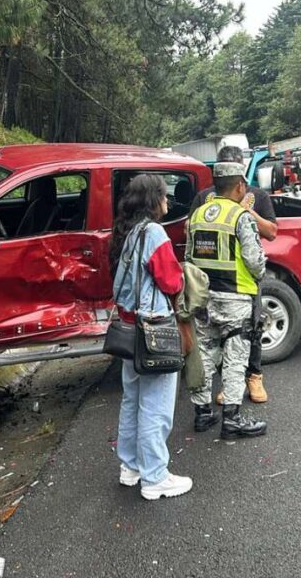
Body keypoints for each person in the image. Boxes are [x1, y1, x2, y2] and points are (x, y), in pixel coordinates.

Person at [109, 174, 192, 500]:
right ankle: (155, 478)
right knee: (156, 406)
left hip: (130, 332)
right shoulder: (154, 232)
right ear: (152, 200)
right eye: (164, 196)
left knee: (132, 401)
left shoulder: (127, 232)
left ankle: (130, 468)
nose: (167, 202)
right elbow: (171, 282)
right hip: (153, 332)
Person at [188, 146, 277, 409]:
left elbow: (272, 231)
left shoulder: (257, 196)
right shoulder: (204, 198)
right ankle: (230, 410)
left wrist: (245, 213)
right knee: (224, 344)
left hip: (235, 282)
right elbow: (190, 229)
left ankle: (254, 377)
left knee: (248, 332)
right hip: (216, 283)